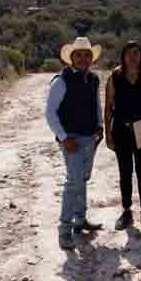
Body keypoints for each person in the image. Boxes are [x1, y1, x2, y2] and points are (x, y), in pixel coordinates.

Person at [45, 36, 105, 251]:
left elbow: (96, 104)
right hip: (71, 139)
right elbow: (50, 113)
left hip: (90, 138)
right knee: (73, 183)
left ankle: (80, 220)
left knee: (82, 179)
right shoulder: (61, 81)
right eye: (78, 55)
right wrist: (63, 137)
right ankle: (64, 230)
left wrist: (99, 126)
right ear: (71, 58)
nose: (83, 58)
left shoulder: (94, 79)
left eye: (86, 55)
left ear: (91, 58)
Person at [104, 41, 141, 230]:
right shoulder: (115, 76)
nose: (133, 56)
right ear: (123, 55)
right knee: (125, 171)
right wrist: (108, 133)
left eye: (136, 52)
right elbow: (108, 107)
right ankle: (126, 211)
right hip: (121, 128)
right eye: (129, 53)